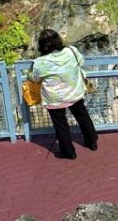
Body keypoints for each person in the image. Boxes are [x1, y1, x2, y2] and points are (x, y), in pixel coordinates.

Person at [29, 28, 99, 159]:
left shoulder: (40, 62)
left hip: (54, 97)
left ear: (42, 45)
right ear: (58, 39)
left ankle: (69, 152)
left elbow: (35, 78)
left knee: (61, 124)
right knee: (82, 115)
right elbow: (81, 62)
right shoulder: (71, 51)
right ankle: (92, 141)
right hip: (74, 91)